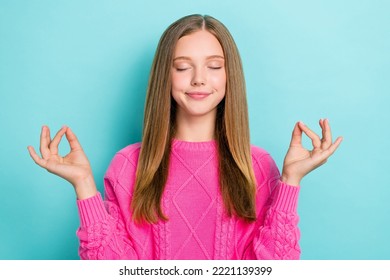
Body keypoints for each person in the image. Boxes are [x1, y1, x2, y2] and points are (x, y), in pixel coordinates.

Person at [27, 14, 342, 260]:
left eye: (214, 66)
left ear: (230, 75)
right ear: (166, 74)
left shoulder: (257, 165)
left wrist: (290, 181)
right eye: (182, 67)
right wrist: (84, 185)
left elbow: (275, 269)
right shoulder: (127, 165)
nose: (199, 79)